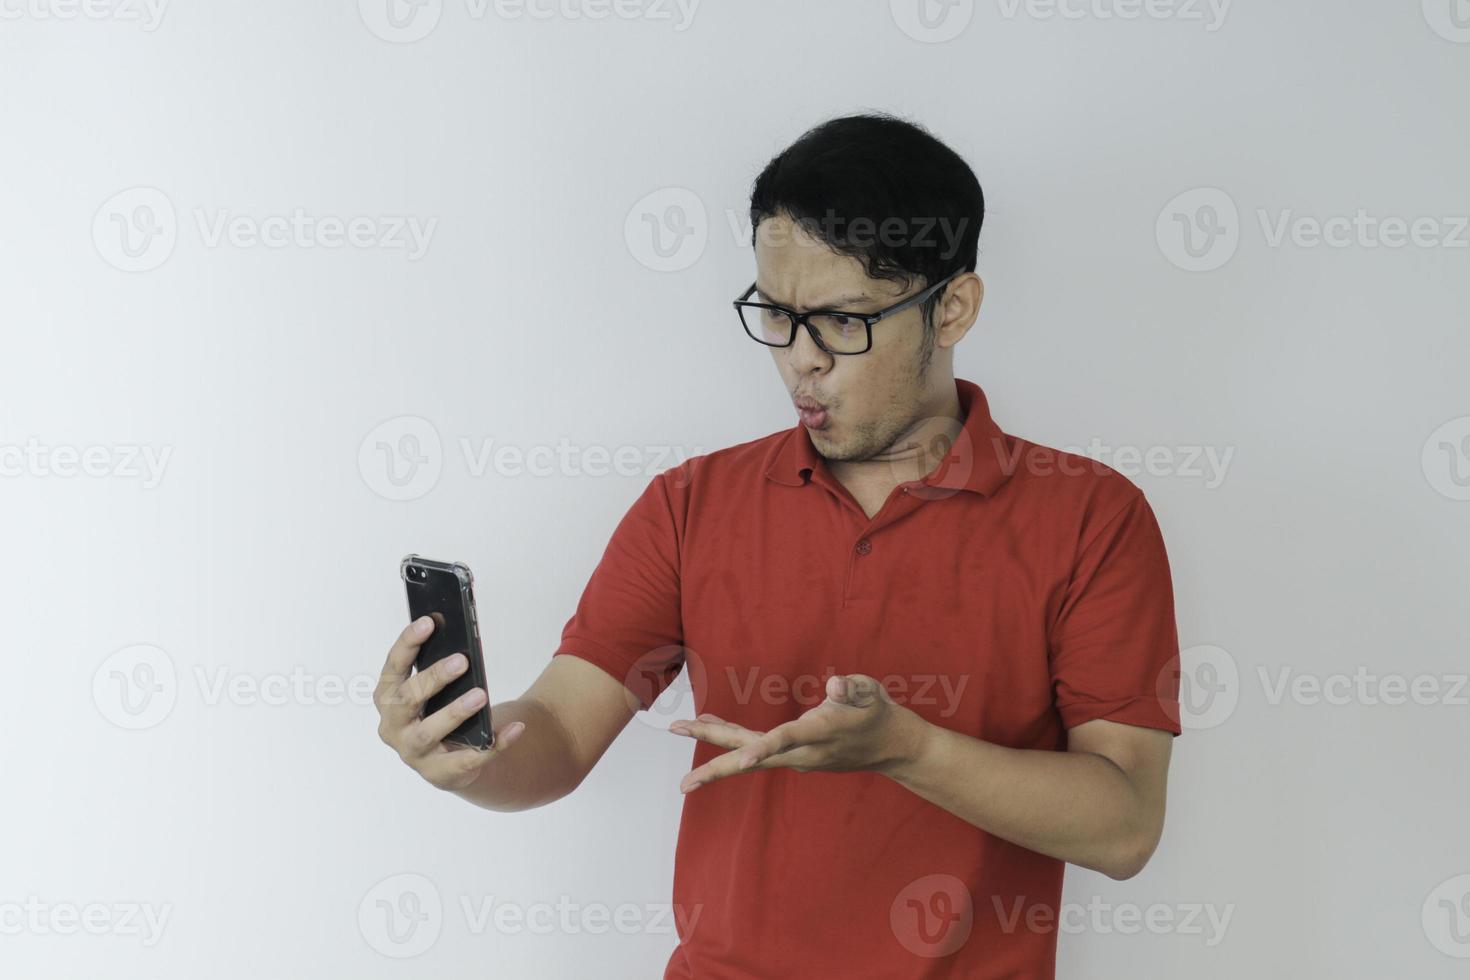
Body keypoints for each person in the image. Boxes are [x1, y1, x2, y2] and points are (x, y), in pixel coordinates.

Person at [374, 110, 1182, 979]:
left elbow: (1124, 823)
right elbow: (563, 735)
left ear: (952, 307)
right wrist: (466, 755)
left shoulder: (1092, 517)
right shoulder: (691, 504)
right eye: (776, 315)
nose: (800, 361)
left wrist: (910, 748)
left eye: (841, 322)